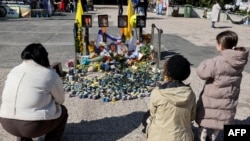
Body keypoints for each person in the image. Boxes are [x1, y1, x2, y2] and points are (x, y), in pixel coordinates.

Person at [0, 43, 68, 141]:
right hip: (32, 127)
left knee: (23, 110)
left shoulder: (14, 70)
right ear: (44, 57)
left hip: (6, 122)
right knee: (62, 111)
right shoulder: (49, 74)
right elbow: (61, 100)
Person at [195, 30, 249, 141]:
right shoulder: (239, 61)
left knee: (206, 121)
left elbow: (202, 72)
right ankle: (213, 137)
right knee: (219, 122)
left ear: (221, 46)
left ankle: (203, 136)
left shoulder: (216, 61)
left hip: (212, 100)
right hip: (227, 100)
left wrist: (206, 62)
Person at [146, 55, 196, 141]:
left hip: (158, 137)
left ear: (167, 72)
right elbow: (192, 117)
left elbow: (153, 114)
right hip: (183, 138)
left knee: (146, 117)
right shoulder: (190, 95)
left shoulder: (157, 93)